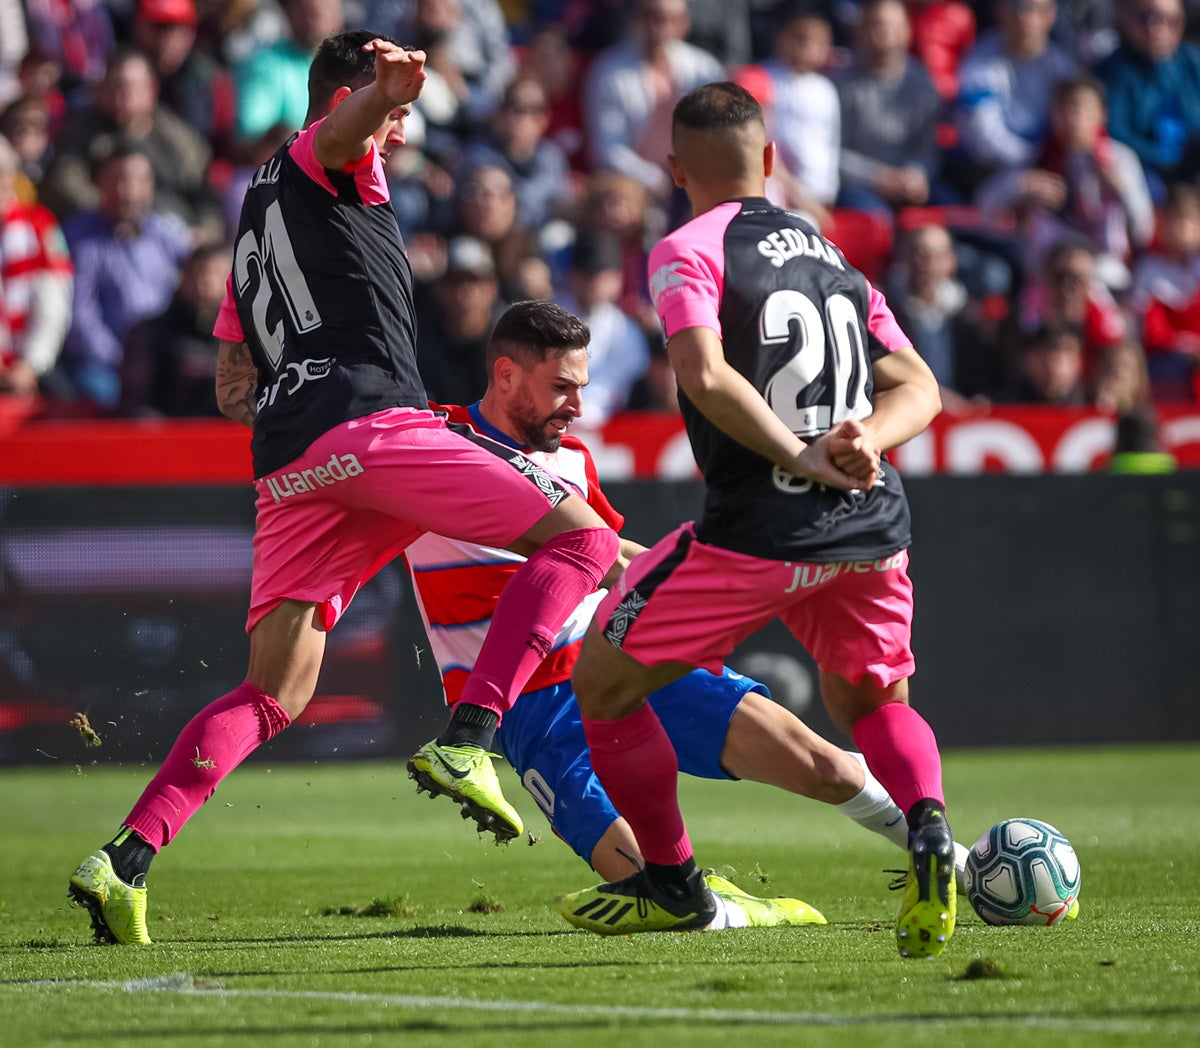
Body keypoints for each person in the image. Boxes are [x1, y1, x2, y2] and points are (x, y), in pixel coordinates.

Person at [66, 31, 618, 946]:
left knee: (273, 692)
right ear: (346, 103)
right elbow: (340, 132)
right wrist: (384, 93)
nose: (398, 133)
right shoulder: (326, 158)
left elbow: (232, 387)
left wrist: (313, 422)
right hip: (369, 427)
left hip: (294, 461)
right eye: (393, 117)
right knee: (583, 537)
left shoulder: (255, 226)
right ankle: (469, 739)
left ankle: (124, 860)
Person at [404, 297, 972, 924]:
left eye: (582, 387)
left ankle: (963, 867)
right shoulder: (429, 447)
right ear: (506, 375)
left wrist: (710, 591)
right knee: (653, 886)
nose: (579, 406)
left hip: (618, 659)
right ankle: (739, 913)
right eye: (562, 387)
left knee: (829, 767)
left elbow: (612, 555)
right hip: (531, 708)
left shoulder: (573, 460)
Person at [555, 82, 955, 962]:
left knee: (604, 686)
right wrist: (866, 438)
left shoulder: (685, 250)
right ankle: (928, 826)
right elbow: (920, 387)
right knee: (873, 701)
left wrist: (798, 455)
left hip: (761, 528)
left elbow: (703, 374)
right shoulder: (832, 257)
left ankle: (672, 882)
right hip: (869, 521)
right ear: (769, 159)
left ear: (674, 170)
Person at [0, 135, 73, 399]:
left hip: (29, 369)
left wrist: (30, 364)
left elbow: (53, 307)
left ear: (11, 177)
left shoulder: (40, 225)